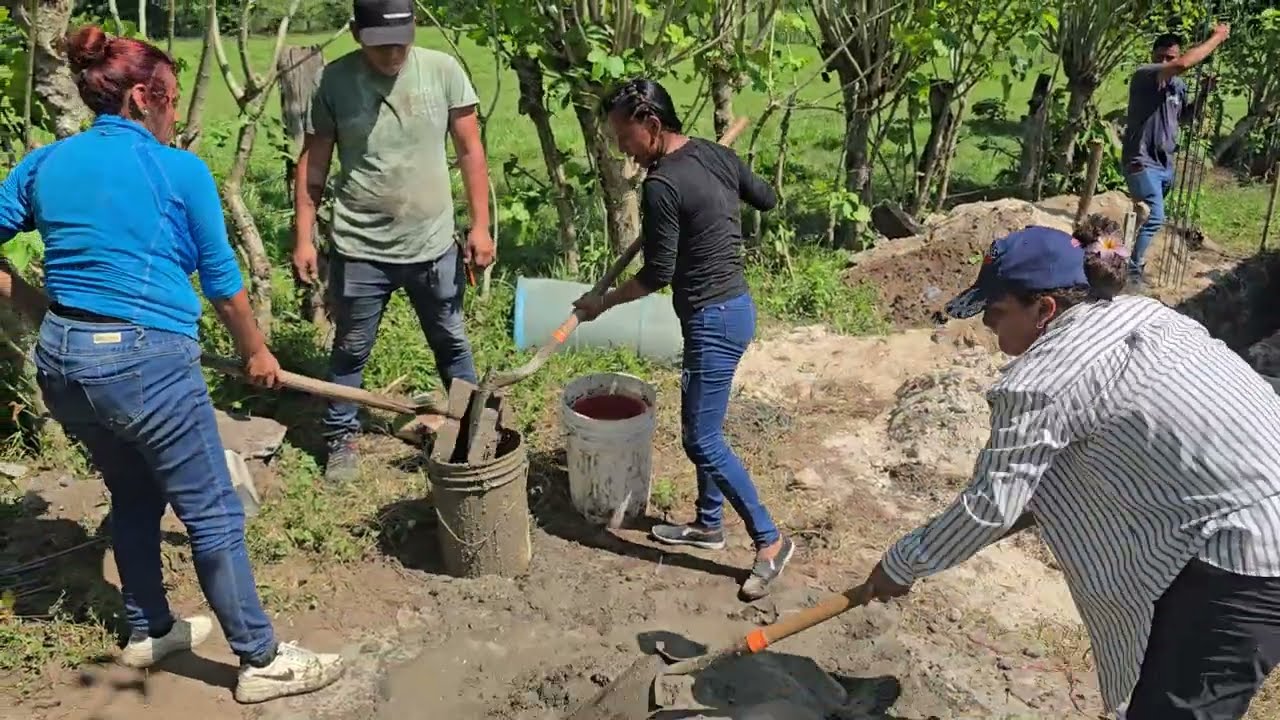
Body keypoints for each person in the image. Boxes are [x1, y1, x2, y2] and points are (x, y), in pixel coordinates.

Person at [0, 26, 344, 703]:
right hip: (144, 365)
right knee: (213, 510)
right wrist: (257, 353)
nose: (176, 116)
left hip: (64, 366)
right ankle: (262, 660)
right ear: (138, 97)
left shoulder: (45, 164)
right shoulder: (177, 169)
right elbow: (221, 281)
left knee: (132, 492)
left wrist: (40, 308)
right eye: (171, 101)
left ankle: (149, 627)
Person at [857, 224, 1280, 719]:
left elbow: (991, 507)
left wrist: (902, 564)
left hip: (1248, 554)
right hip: (1234, 526)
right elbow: (1071, 471)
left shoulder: (1042, 381)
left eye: (996, 313)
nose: (989, 330)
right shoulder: (1143, 314)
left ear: (1045, 309)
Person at [573, 78, 794, 601]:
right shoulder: (711, 157)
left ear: (651, 126)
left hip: (712, 321)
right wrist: (725, 176)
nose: (622, 149)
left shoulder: (662, 187)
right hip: (734, 309)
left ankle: (770, 541)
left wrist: (601, 303)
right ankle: (708, 525)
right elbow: (767, 198)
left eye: (625, 137)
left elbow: (657, 274)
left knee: (701, 438)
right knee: (705, 424)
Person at [293, 0, 494, 483]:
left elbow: (470, 150)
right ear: (356, 34)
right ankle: (342, 436)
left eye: (401, 41)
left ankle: (473, 430)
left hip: (433, 244)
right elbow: (314, 161)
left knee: (451, 341)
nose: (392, 54)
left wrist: (480, 225)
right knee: (350, 348)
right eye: (380, 45)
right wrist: (303, 236)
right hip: (361, 246)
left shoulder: (443, 72)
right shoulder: (335, 82)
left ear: (414, 28)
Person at [1121, 24, 1229, 288]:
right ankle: (1131, 274)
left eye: (1170, 57)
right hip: (1141, 160)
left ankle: (1121, 257)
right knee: (1156, 216)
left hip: (1165, 165)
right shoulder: (1145, 75)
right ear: (1153, 56)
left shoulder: (1177, 87)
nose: (1165, 62)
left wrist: (1204, 93)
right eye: (1161, 56)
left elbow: (1184, 118)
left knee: (1145, 216)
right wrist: (1217, 38)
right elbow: (1182, 65)